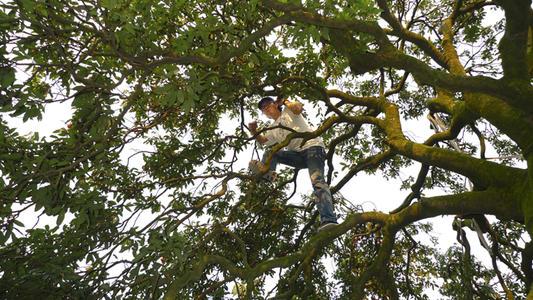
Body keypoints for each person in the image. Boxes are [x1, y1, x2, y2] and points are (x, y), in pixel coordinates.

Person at [247, 96, 338, 231]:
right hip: (298, 156)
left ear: (275, 104)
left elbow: (297, 108)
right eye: (263, 109)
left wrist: (284, 101)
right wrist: (253, 131)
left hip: (312, 147)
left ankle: (329, 220)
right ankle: (267, 172)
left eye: (268, 104)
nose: (266, 108)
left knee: (318, 182)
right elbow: (263, 141)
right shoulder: (272, 128)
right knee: (272, 152)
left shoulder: (287, 111)